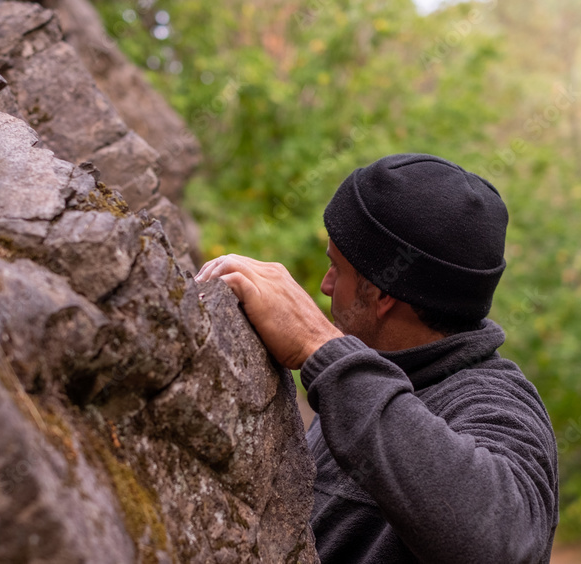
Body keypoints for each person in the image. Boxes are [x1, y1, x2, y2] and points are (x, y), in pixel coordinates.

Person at [195, 153, 559, 563]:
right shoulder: (367, 376)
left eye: (336, 267)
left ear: (382, 292)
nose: (325, 285)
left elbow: (503, 544)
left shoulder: (498, 406)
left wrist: (320, 347)